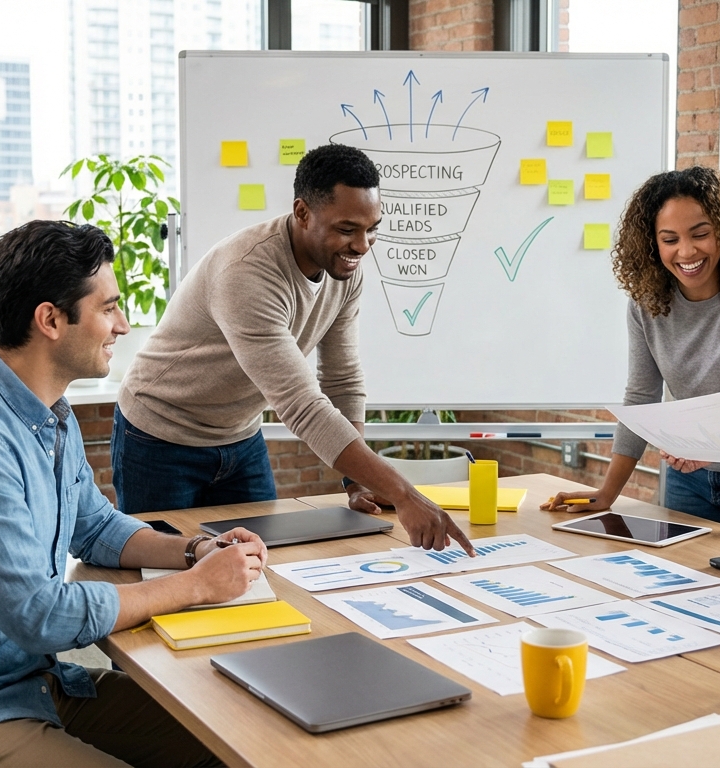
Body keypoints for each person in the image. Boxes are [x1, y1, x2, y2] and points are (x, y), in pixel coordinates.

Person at [0, 221, 267, 768]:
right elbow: (40, 617)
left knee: (230, 741)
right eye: (109, 307)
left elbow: (94, 526)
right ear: (50, 319)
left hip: (27, 687)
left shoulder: (48, 415)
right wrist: (192, 588)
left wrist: (193, 551)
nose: (122, 324)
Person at [113, 144, 472, 554]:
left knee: (262, 562)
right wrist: (406, 495)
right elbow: (303, 406)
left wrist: (358, 482)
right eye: (347, 228)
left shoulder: (345, 267)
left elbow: (342, 378)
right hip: (160, 436)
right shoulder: (246, 273)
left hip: (239, 436)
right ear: (302, 213)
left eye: (372, 228)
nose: (363, 245)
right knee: (165, 569)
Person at [543, 167, 720, 543]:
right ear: (653, 244)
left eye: (700, 234)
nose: (686, 252)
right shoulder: (647, 302)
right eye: (670, 239)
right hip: (689, 479)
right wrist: (607, 495)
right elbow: (641, 396)